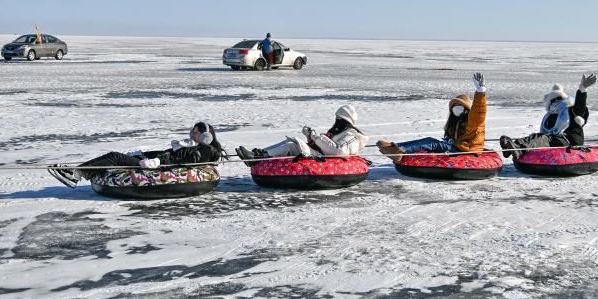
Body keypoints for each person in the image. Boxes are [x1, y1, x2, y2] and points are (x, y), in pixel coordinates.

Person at [47, 122, 224, 187]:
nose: (191, 134)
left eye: (195, 132)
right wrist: (147, 155)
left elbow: (184, 161)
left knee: (115, 157)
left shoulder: (205, 150)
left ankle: (76, 174)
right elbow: (175, 155)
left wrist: (159, 160)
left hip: (157, 168)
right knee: (114, 157)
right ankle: (78, 172)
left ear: (205, 136)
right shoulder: (194, 147)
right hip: (153, 162)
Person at [377, 73, 487, 161]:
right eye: (455, 106)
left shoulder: (474, 120)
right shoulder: (455, 122)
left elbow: (479, 111)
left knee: (431, 142)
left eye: (460, 106)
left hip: (468, 150)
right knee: (431, 143)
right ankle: (396, 148)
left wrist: (480, 92)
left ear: (466, 109)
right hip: (458, 147)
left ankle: (397, 148)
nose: (456, 108)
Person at [499, 74, 597, 158]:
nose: (557, 102)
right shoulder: (550, 115)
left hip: (568, 141)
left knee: (542, 138)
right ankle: (512, 147)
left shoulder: (571, 109)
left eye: (559, 99)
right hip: (553, 140)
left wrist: (582, 89)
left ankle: (516, 147)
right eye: (554, 100)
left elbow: (580, 107)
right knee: (536, 137)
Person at [234, 105, 367, 166]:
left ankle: (257, 157)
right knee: (291, 142)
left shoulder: (351, 137)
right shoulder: (338, 132)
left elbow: (339, 152)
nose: (336, 121)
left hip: (330, 160)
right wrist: (310, 137)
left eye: (339, 118)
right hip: (323, 156)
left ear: (345, 120)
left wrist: (316, 137)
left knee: (292, 146)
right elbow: (324, 146)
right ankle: (258, 154)